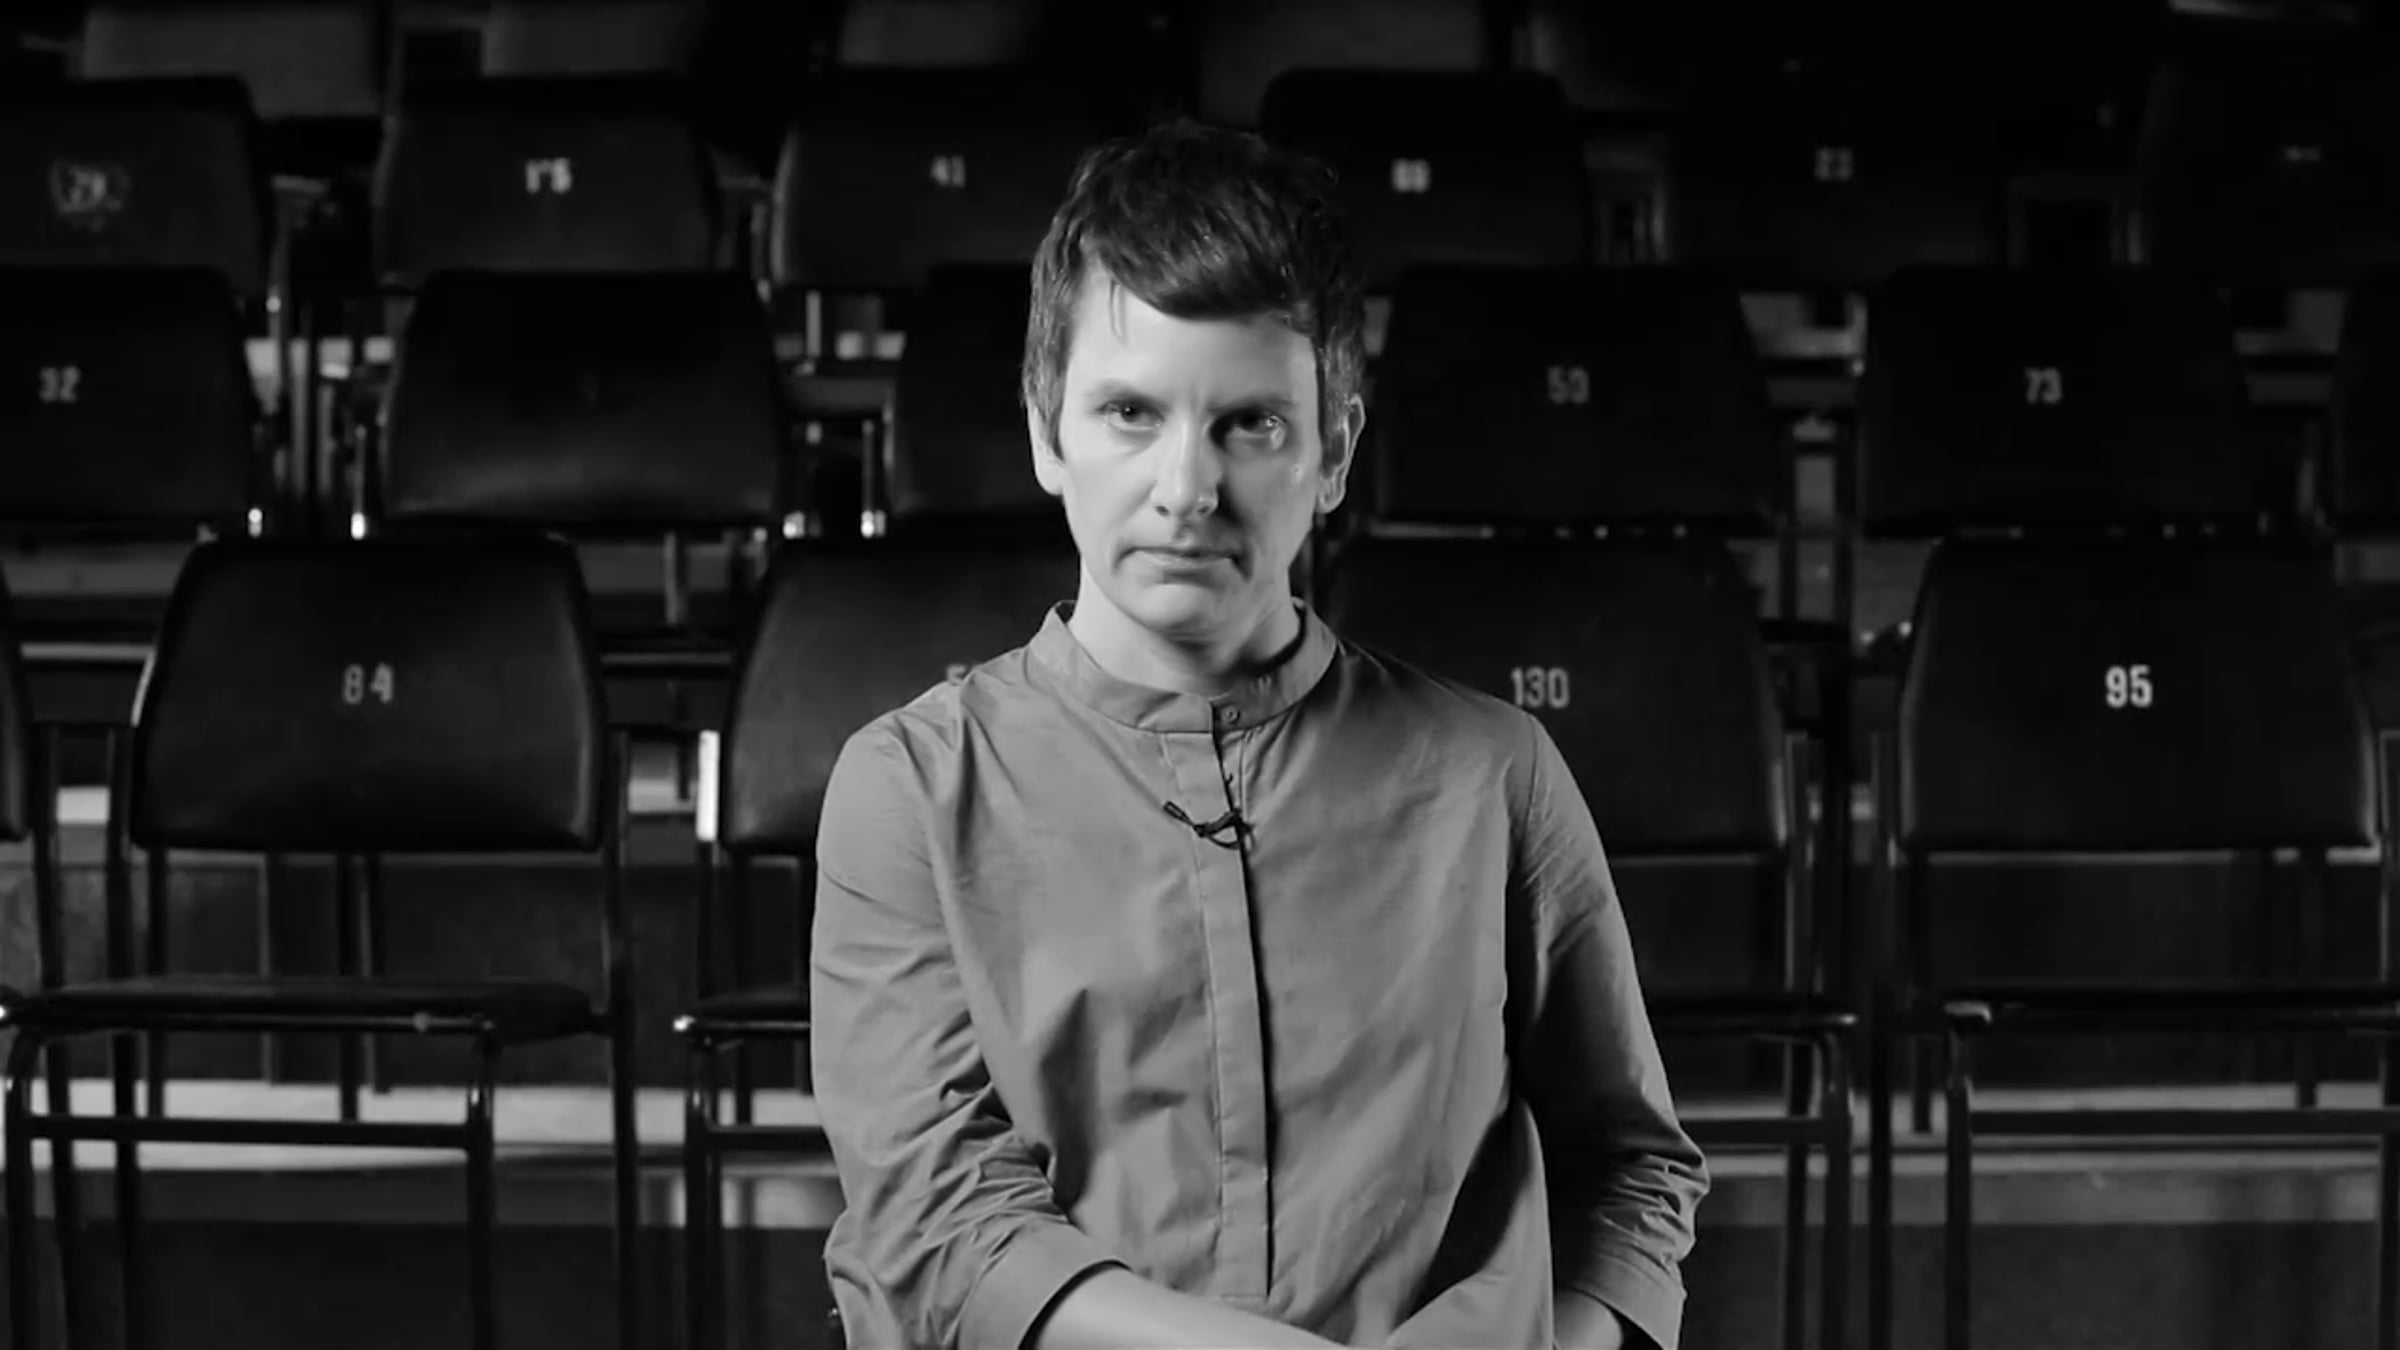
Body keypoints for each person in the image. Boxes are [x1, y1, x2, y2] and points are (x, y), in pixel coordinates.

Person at [809, 116, 1709, 1349]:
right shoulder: (908, 788)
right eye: (1130, 413)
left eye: (1252, 424)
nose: (1187, 489)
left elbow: (1632, 1175)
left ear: (1334, 452)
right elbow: (942, 1226)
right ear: (1045, 432)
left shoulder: (1494, 776)